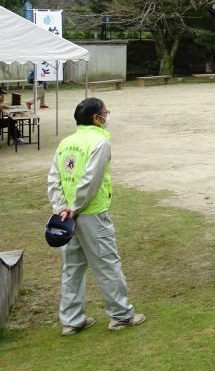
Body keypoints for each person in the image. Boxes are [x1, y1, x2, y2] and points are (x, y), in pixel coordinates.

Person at [47, 97, 146, 335]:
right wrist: (76, 206)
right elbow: (91, 180)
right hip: (91, 214)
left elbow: (54, 178)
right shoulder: (100, 143)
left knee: (72, 268)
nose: (107, 116)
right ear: (96, 118)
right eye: (105, 112)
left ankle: (72, 320)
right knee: (107, 264)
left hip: (65, 217)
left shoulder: (66, 143)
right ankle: (121, 315)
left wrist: (61, 206)